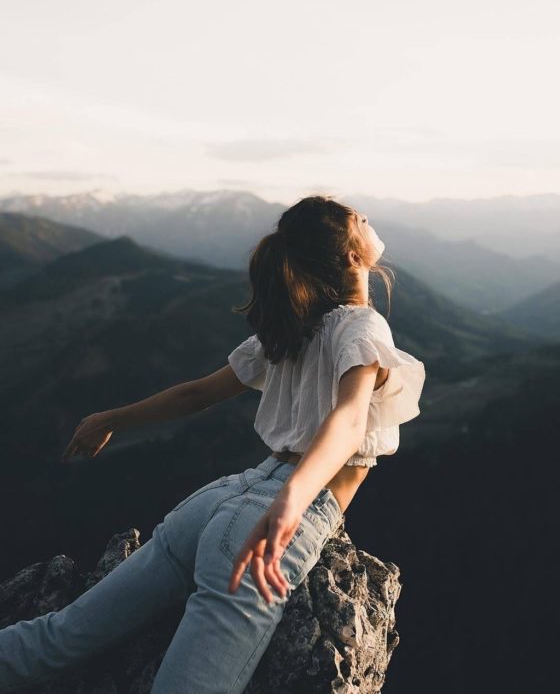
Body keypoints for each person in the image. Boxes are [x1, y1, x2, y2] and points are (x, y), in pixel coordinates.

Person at [0, 195, 426, 693]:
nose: (369, 219)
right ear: (354, 257)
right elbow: (350, 418)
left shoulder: (293, 324)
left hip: (219, 501)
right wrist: (293, 501)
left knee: (56, 637)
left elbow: (196, 392)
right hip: (270, 517)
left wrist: (111, 418)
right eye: (360, 220)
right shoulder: (363, 325)